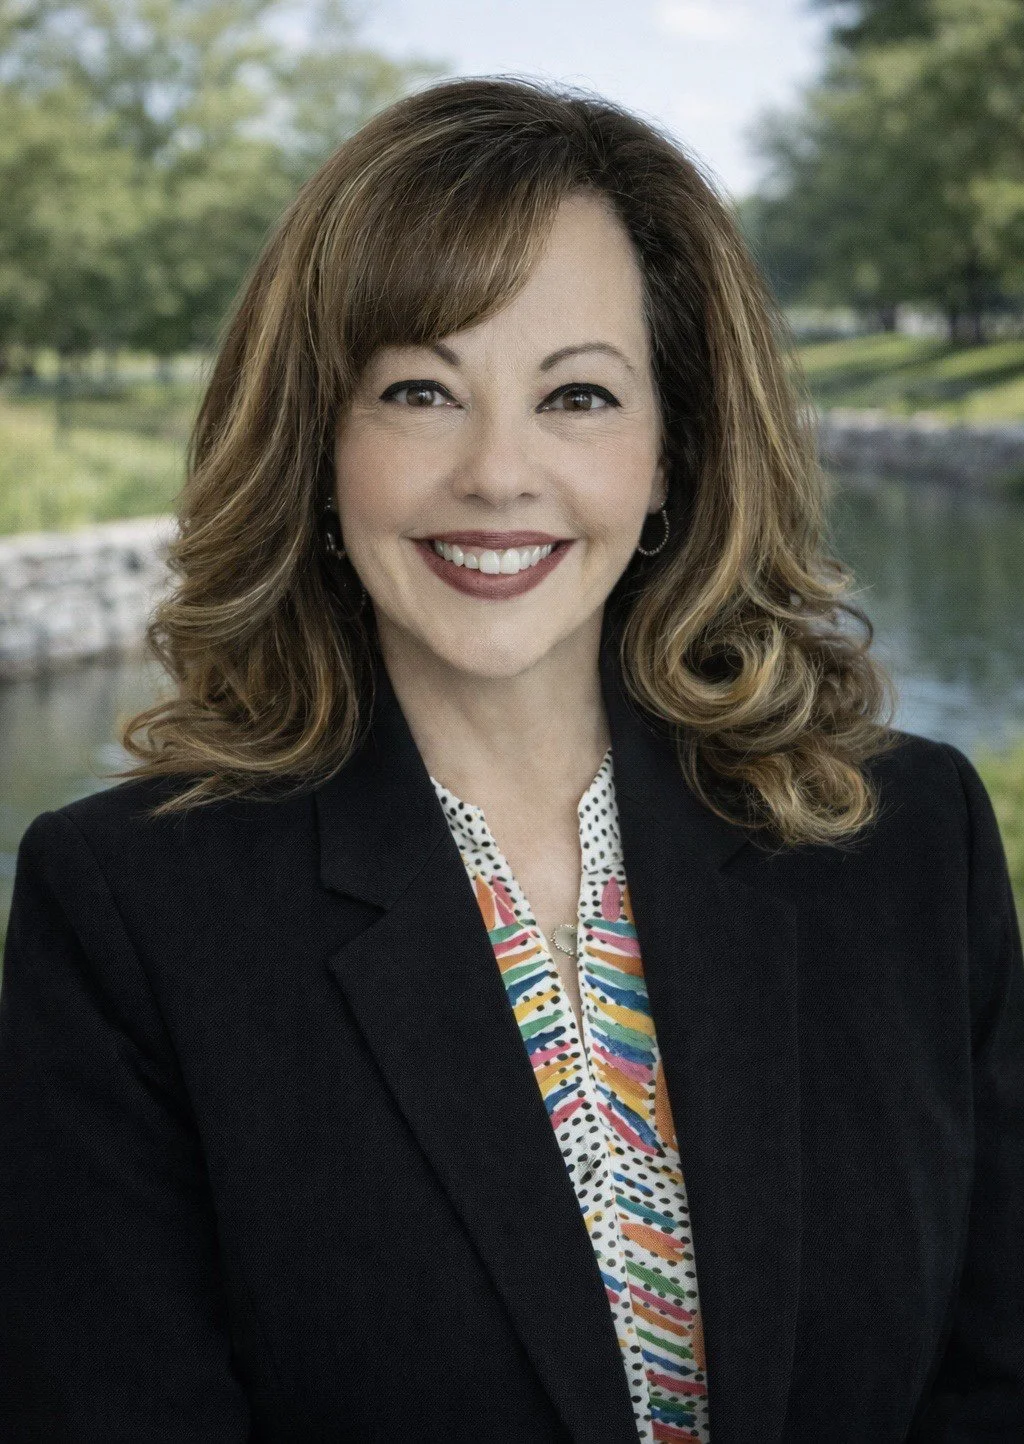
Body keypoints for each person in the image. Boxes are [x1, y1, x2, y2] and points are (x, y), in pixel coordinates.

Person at [0, 74, 1021, 1444]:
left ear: (673, 452)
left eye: (580, 396)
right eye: (421, 389)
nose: (498, 472)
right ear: (321, 440)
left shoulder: (905, 844)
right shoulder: (129, 915)